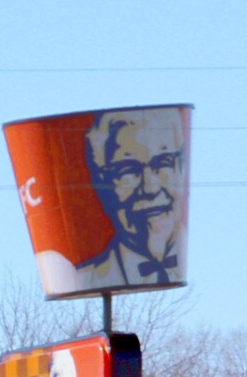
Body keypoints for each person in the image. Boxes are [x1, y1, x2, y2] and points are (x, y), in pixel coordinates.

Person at [74, 108, 187, 289]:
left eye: (163, 163)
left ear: (181, 170)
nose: (151, 188)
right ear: (103, 185)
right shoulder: (83, 280)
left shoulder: (219, 257)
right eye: (128, 170)